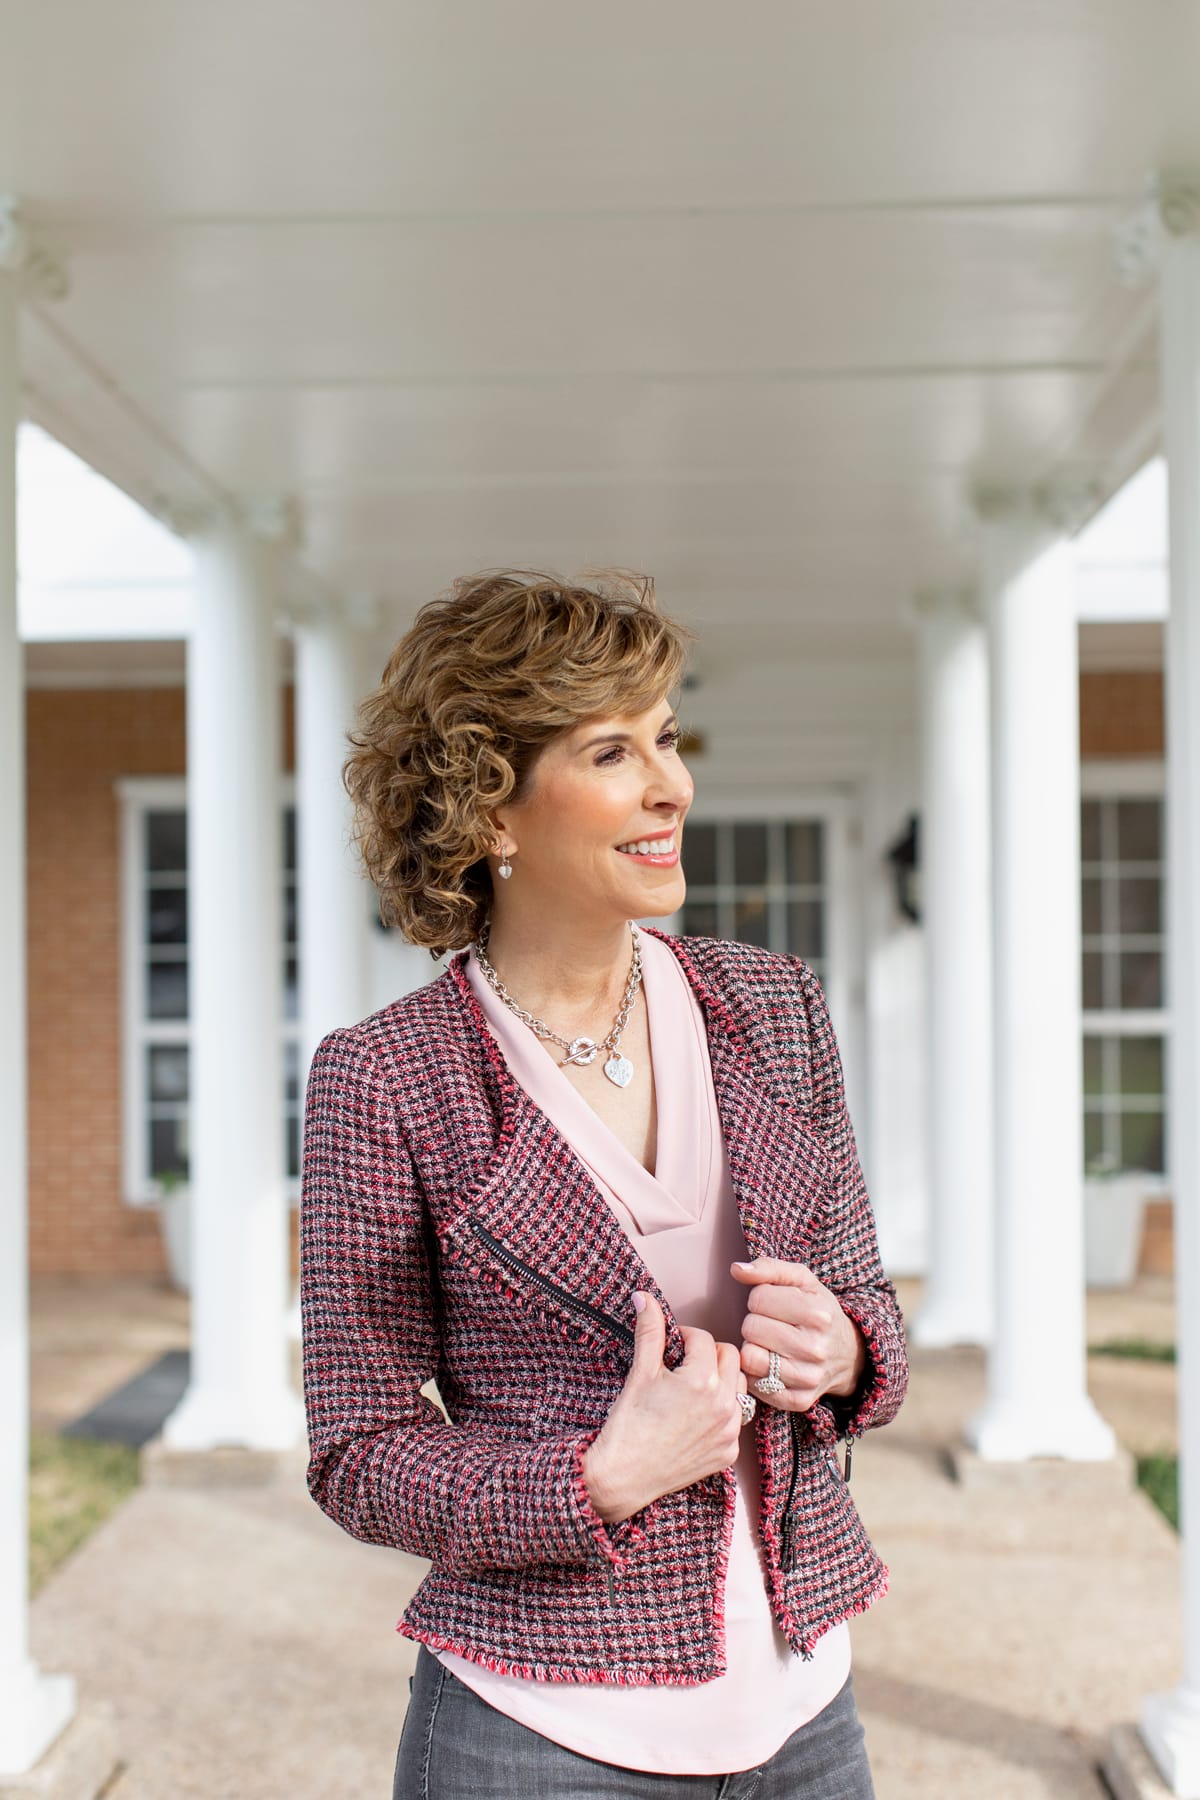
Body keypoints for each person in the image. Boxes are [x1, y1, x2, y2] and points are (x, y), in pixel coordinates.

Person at [300, 569, 908, 1799]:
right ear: (493, 814)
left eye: (669, 739)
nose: (671, 784)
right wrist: (595, 1479)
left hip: (805, 1710)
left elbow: (869, 1313)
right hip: (536, 1734)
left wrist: (842, 1351)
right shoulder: (388, 1080)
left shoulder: (775, 1008)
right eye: (614, 750)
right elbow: (357, 1449)